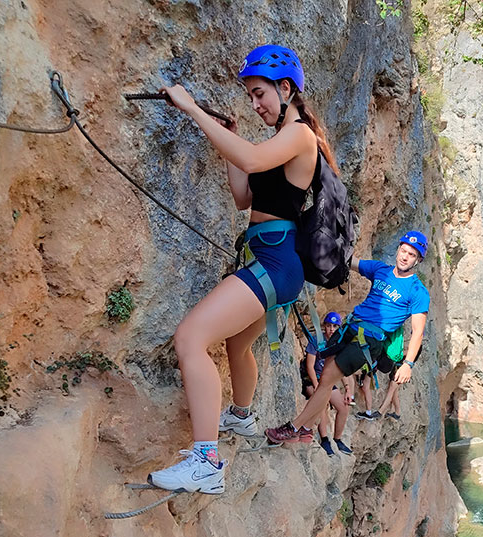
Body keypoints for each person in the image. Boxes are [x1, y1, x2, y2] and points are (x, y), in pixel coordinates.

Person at [148, 45, 338, 494]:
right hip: (271, 260)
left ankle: (206, 462)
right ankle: (242, 415)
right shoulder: (278, 142)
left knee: (190, 337)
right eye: (251, 97)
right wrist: (229, 139)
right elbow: (244, 196)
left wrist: (194, 109)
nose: (256, 105)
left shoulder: (299, 136)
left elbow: (251, 160)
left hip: (275, 261)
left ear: (286, 88)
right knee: (237, 345)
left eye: (260, 94)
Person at [266, 231, 430, 450]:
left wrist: (408, 364)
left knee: (326, 380)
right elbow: (349, 261)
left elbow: (418, 331)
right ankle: (304, 430)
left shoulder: (418, 291)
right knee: (325, 378)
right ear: (398, 249)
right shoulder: (380, 269)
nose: (405, 256)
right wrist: (322, 239)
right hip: (349, 329)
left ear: (417, 260)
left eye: (411, 254)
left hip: (369, 341)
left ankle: (293, 428)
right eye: (403, 250)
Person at [301, 312, 353, 456]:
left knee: (343, 408)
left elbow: (341, 369)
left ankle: (337, 439)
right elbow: (310, 366)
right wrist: (317, 385)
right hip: (312, 380)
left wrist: (348, 390)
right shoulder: (317, 340)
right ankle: (325, 439)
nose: (331, 329)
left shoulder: (339, 344)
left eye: (335, 326)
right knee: (321, 404)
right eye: (329, 326)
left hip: (327, 381)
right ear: (324, 326)